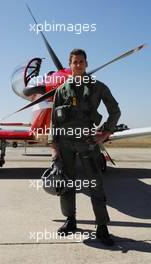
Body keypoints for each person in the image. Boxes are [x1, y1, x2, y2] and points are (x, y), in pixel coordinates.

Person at [50, 49, 121, 246]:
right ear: (70, 65)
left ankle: (102, 226)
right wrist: (54, 150)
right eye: (75, 62)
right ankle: (70, 221)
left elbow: (115, 111)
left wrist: (104, 133)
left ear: (86, 64)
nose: (78, 65)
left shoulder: (98, 87)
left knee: (95, 184)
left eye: (81, 62)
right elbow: (54, 122)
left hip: (88, 142)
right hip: (65, 143)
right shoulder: (61, 91)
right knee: (66, 183)